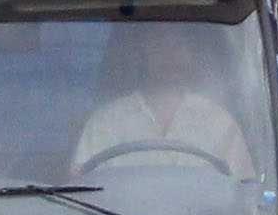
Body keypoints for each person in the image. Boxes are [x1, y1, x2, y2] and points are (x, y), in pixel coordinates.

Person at [74, 19, 262, 187]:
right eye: (158, 46)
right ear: (141, 55)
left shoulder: (219, 121)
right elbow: (79, 185)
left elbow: (245, 191)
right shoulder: (105, 121)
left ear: (192, 54)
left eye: (179, 46)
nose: (170, 55)